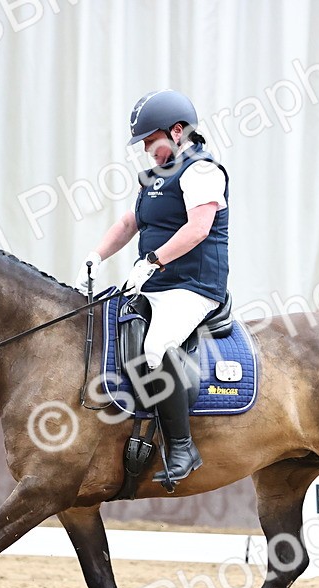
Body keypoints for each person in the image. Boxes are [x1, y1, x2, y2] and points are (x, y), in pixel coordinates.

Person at [76, 89, 230, 485]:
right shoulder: (154, 177)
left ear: (177, 132)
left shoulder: (202, 171)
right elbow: (130, 224)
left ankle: (182, 446)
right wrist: (96, 256)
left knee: (156, 347)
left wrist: (151, 261)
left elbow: (198, 229)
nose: (146, 149)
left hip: (193, 285)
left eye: (150, 140)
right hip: (157, 282)